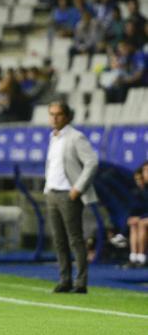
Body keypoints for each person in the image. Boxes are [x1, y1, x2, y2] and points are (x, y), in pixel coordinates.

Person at [45, 101, 98, 294]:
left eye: (58, 114)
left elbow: (92, 162)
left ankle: (81, 282)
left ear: (67, 116)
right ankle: (64, 279)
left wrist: (78, 187)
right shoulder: (53, 137)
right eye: (51, 114)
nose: (54, 118)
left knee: (75, 239)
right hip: (52, 192)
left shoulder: (76, 137)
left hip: (69, 194)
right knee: (59, 240)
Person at [126, 163, 148, 268]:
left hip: (145, 218)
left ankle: (142, 257)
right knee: (134, 223)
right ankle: (134, 257)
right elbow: (137, 208)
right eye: (144, 170)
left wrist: (141, 217)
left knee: (142, 222)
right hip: (144, 217)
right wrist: (133, 217)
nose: (145, 173)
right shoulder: (140, 191)